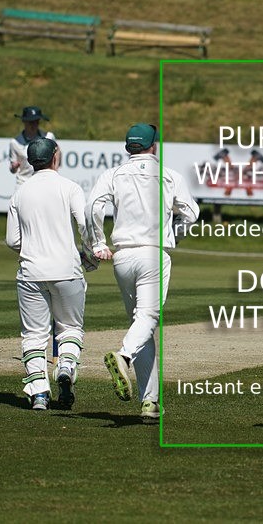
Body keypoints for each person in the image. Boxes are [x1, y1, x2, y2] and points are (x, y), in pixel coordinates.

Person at [86, 123, 199, 420]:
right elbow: (191, 213)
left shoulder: (113, 174)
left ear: (128, 147)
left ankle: (150, 401)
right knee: (147, 319)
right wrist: (175, 234)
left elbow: (93, 206)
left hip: (122, 257)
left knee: (143, 326)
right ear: (154, 146)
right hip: (153, 254)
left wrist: (98, 242)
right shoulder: (169, 175)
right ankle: (123, 356)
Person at [5, 138, 95, 410]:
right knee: (69, 328)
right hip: (66, 270)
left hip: (30, 272)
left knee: (34, 334)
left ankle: (40, 394)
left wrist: (33, 248)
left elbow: (12, 240)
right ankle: (65, 366)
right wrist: (90, 252)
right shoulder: (69, 187)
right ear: (55, 157)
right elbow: (85, 224)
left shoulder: (20, 193)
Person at [9, 106, 56, 187]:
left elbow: (57, 152)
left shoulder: (49, 137)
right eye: (31, 122)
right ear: (24, 121)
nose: (34, 125)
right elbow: (12, 169)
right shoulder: (15, 142)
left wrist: (55, 170)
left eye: (36, 121)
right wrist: (14, 167)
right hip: (23, 182)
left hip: (45, 182)